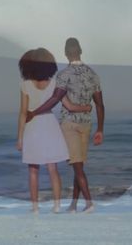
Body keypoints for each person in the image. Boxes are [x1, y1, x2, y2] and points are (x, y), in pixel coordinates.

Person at [25, 37, 104, 212]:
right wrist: (100, 129)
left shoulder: (64, 75)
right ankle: (74, 205)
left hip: (70, 124)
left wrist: (35, 112)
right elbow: (100, 104)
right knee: (79, 165)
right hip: (86, 124)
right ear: (80, 51)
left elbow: (55, 99)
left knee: (77, 166)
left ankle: (89, 203)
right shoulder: (93, 74)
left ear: (66, 53)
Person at [16, 48, 90, 213]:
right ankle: (56, 206)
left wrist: (20, 138)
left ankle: (35, 207)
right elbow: (69, 106)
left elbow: (23, 113)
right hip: (49, 124)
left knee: (33, 170)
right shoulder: (56, 83)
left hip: (32, 126)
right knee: (52, 168)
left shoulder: (25, 85)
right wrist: (86, 107)